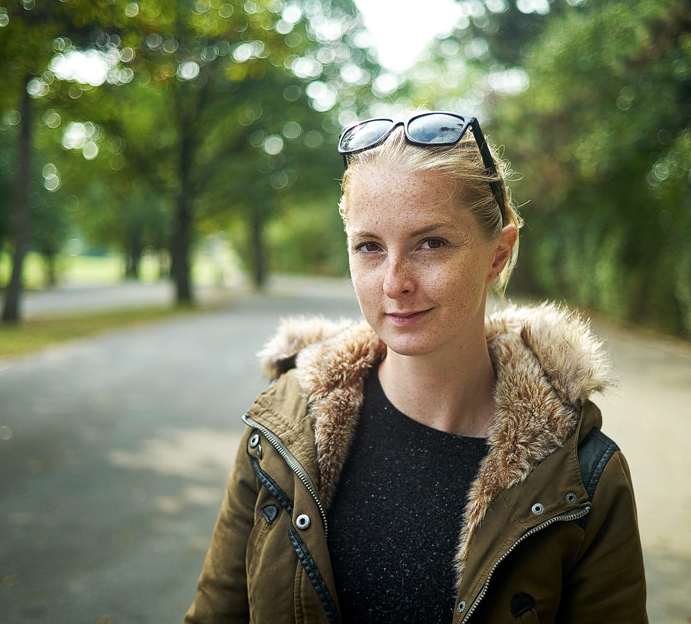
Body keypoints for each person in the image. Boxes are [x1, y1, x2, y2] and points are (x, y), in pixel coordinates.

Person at [184, 111, 647, 624]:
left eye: (431, 243)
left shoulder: (582, 476)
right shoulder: (284, 432)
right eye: (370, 247)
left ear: (498, 253)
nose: (394, 282)